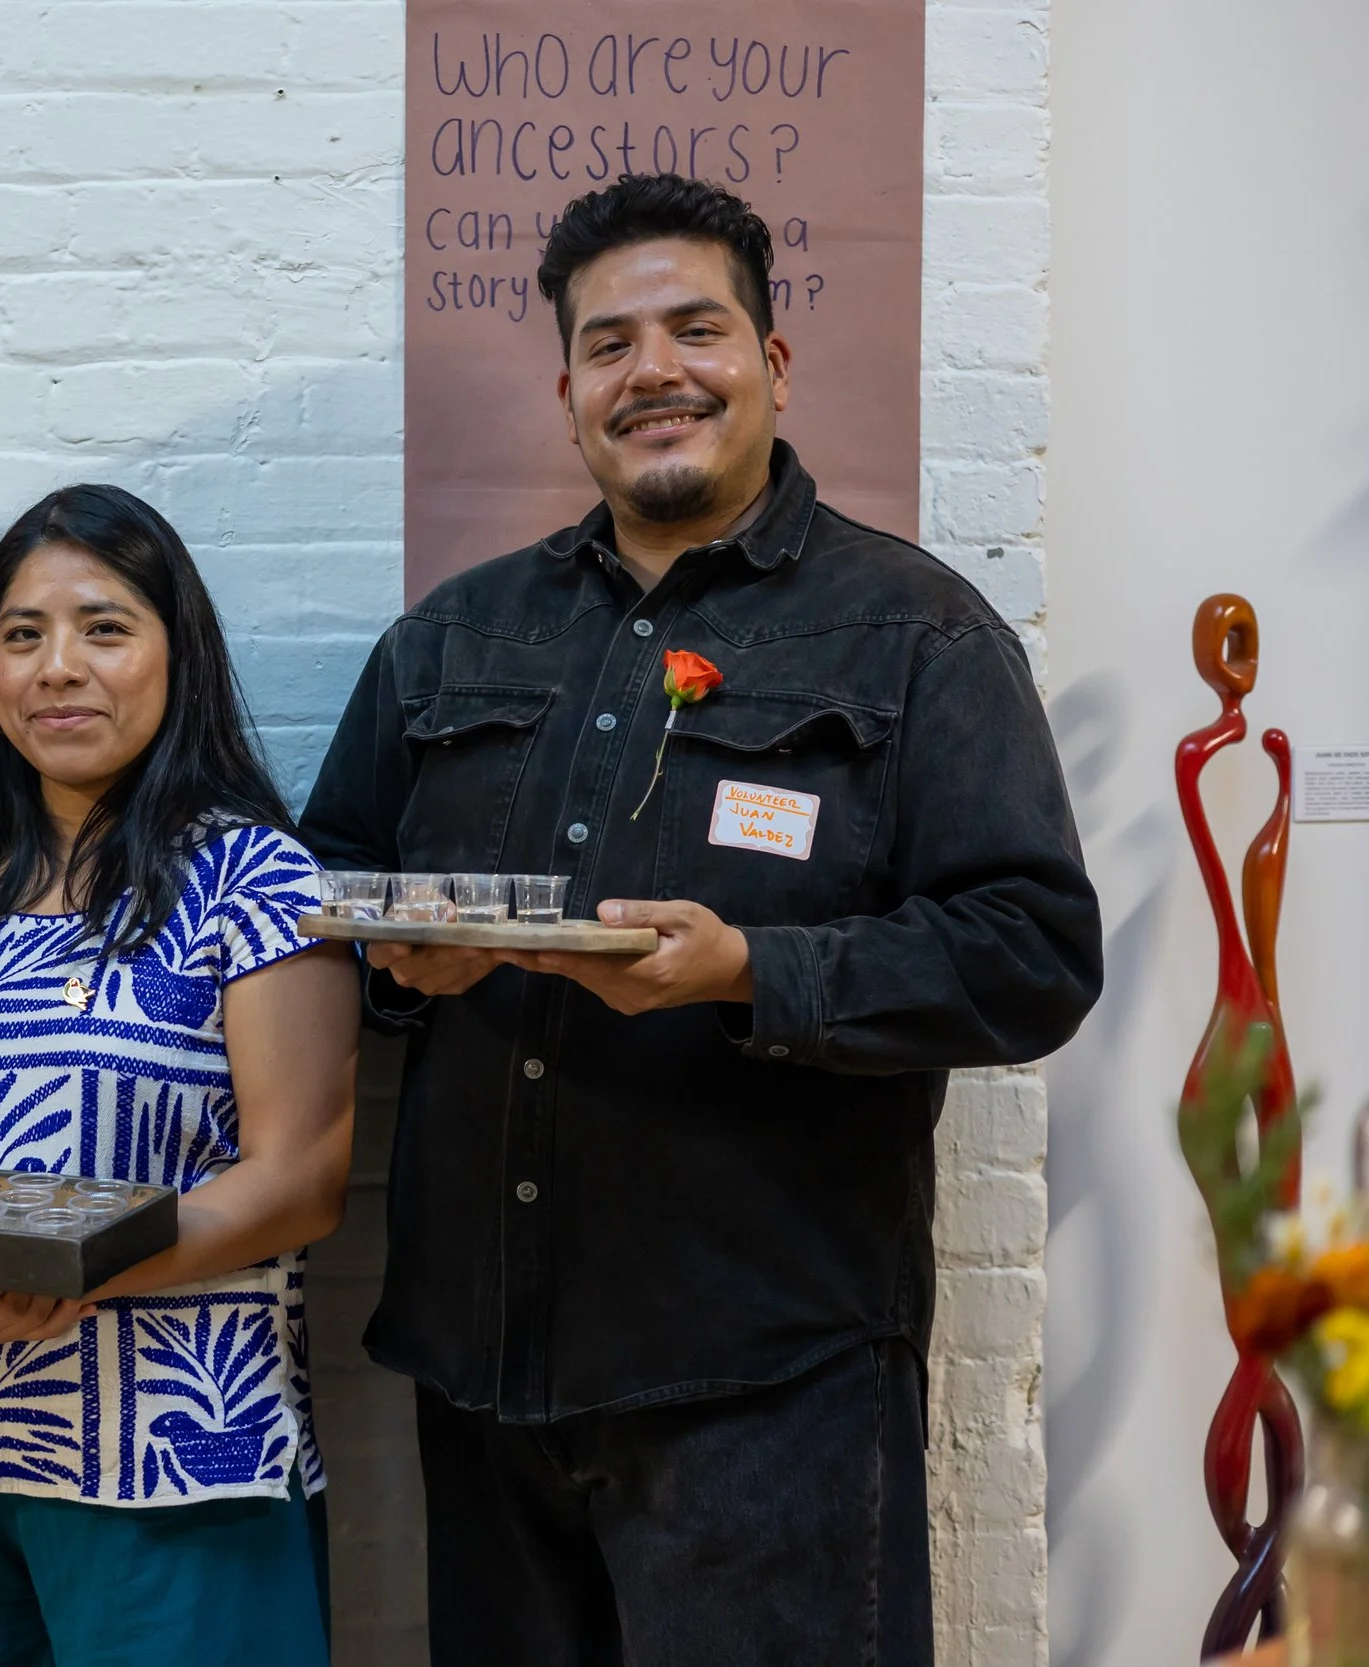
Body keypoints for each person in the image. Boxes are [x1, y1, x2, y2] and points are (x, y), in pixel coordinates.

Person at [301, 175, 1103, 1665]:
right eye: (610, 345)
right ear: (568, 394)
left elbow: (1033, 950)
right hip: (481, 1377)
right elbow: (319, 895)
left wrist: (756, 973)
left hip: (769, 1392)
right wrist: (402, 965)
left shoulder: (918, 634)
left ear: (774, 363)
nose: (654, 369)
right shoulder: (449, 639)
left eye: (695, 328)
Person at [0, 484, 360, 1667]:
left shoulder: (256, 876)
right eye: (23, 633)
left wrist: (67, 1273)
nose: (59, 666)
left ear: (177, 655)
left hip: (180, 1458)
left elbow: (301, 1177)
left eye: (104, 627)